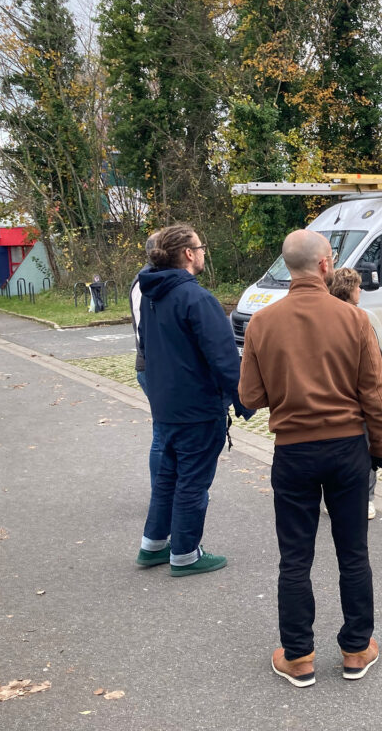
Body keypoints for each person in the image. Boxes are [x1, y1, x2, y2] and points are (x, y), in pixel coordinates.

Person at [239, 230, 382, 688]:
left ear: (289, 267)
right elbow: (373, 395)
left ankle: (299, 656)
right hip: (348, 449)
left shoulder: (262, 323)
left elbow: (249, 395)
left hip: (293, 452)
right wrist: (378, 449)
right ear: (326, 265)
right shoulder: (354, 319)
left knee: (295, 556)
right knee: (353, 553)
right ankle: (356, 648)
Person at [134, 223, 252, 576]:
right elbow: (224, 358)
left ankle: (153, 545)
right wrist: (244, 400)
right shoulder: (197, 299)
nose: (203, 253)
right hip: (197, 408)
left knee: (168, 479)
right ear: (188, 254)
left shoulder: (151, 293)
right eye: (201, 248)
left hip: (166, 404)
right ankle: (185, 554)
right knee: (192, 482)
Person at [329, 267, 379, 521]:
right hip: (356, 397)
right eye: (358, 287)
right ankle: (367, 499)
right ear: (349, 289)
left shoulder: (324, 316)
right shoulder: (358, 319)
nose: (360, 290)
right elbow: (372, 369)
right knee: (366, 449)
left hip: (333, 396)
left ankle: (337, 497)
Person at [130, 229, 162, 491]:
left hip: (153, 366)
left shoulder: (152, 279)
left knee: (164, 432)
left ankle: (165, 491)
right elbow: (146, 333)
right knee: (162, 433)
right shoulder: (145, 282)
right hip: (152, 367)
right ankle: (160, 493)